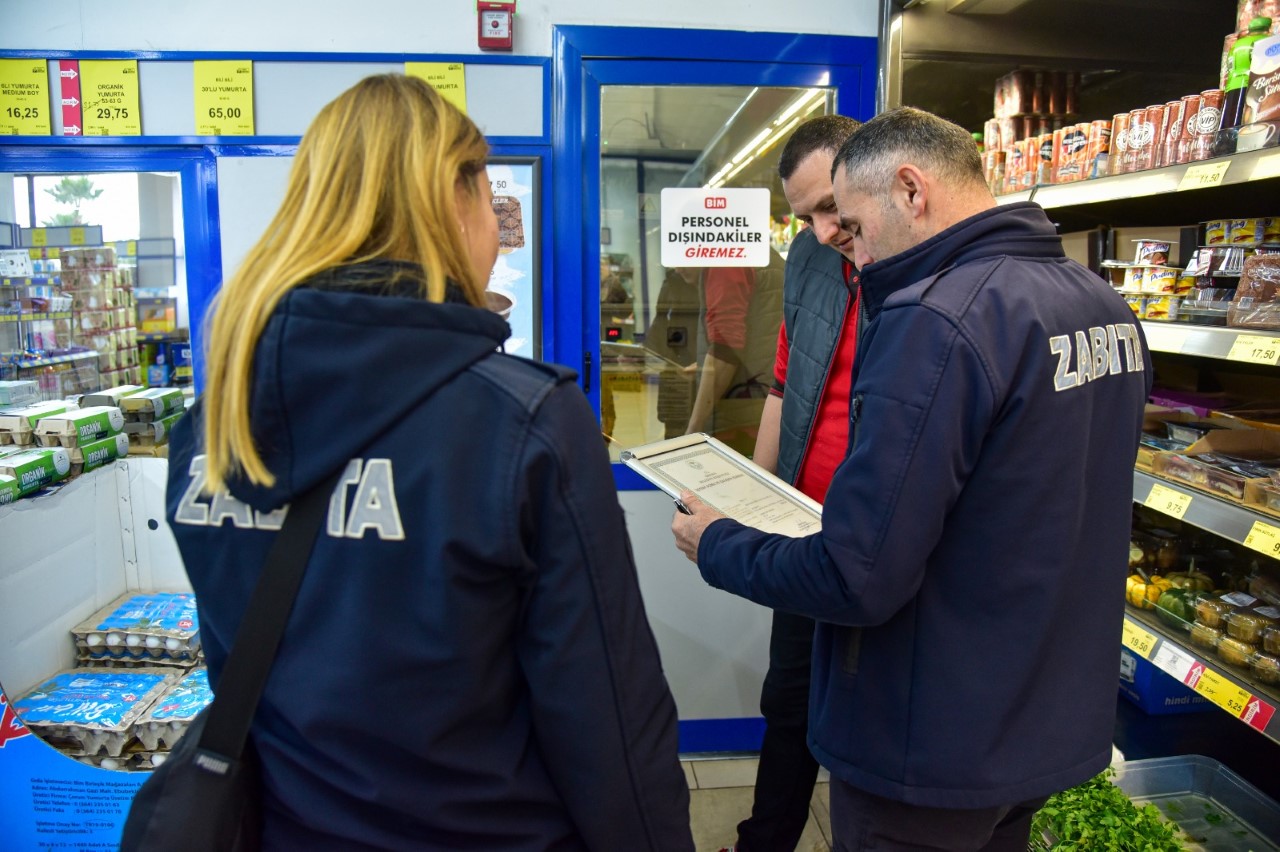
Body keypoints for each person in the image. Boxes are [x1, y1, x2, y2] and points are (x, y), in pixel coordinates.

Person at [163, 74, 694, 852]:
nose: (495, 231)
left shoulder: (211, 431)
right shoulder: (523, 426)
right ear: (456, 200)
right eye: (490, 200)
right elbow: (606, 716)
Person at [671, 107, 1151, 851]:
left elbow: (856, 576)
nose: (848, 250)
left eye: (853, 225)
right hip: (1040, 719)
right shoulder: (1101, 306)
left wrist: (720, 544)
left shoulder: (939, 320)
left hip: (934, 736)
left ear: (909, 189)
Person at [723, 114, 864, 852]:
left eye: (828, 208)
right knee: (789, 698)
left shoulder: (910, 265)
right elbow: (783, 387)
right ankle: (765, 841)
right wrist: (760, 500)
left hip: (877, 533)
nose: (819, 229)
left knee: (867, 714)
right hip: (804, 528)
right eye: (802, 214)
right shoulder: (808, 260)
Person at [683, 250, 785, 457]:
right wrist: (704, 364)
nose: (676, 267)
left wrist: (692, 430)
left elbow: (726, 350)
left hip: (735, 421)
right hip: (763, 405)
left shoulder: (726, 263)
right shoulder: (762, 253)